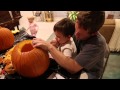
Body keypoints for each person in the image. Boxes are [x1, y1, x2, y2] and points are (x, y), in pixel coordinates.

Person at [32, 11, 107, 79]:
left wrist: (49, 47)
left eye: (79, 34)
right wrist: (58, 41)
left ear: (94, 33)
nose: (75, 34)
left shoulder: (97, 45)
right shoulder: (78, 27)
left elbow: (73, 68)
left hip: (89, 72)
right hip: (76, 62)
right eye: (76, 28)